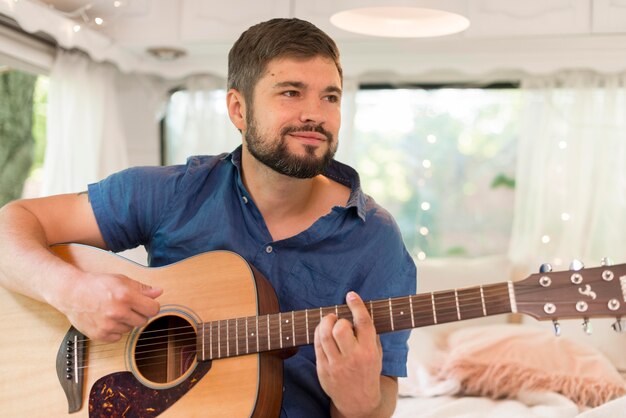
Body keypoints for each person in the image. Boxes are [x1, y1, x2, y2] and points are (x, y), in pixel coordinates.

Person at [0, 18, 416, 418]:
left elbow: (378, 402)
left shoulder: (376, 240)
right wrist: (72, 291)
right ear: (238, 108)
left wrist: (359, 402)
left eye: (330, 96)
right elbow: (11, 226)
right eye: (291, 92)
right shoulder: (170, 192)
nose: (316, 114)